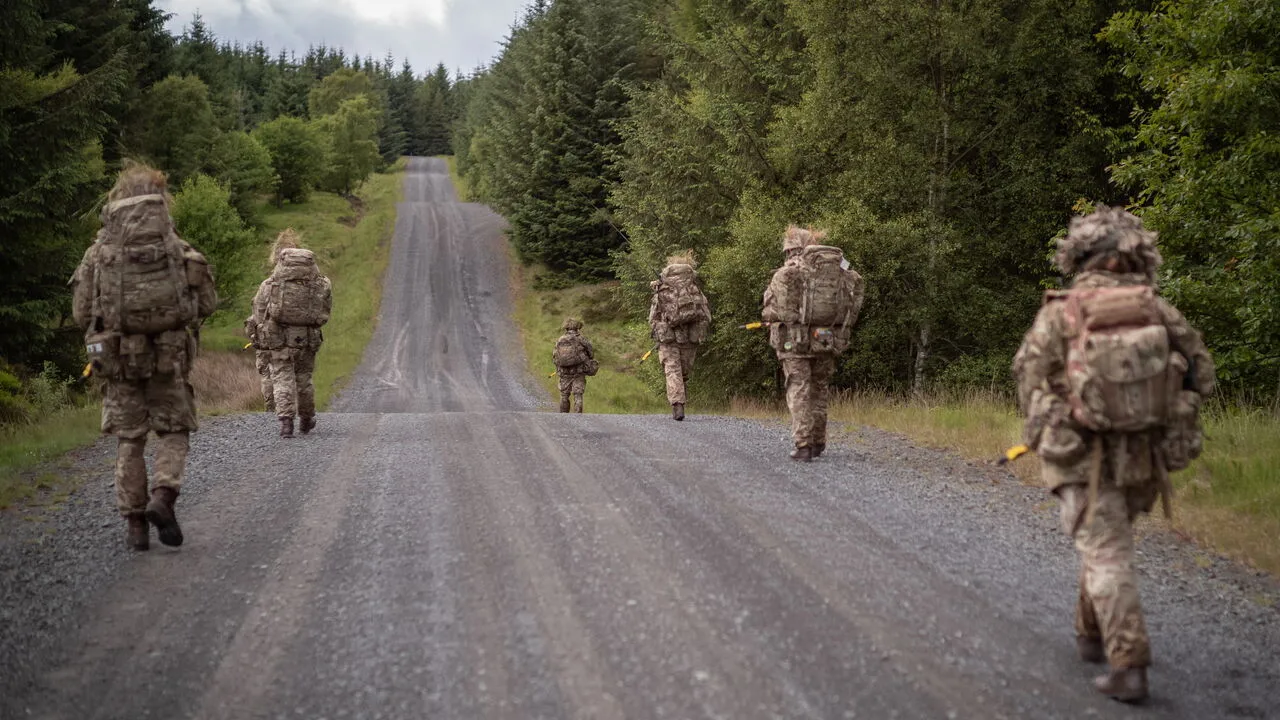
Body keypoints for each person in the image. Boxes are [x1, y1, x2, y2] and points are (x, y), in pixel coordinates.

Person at [1012, 205, 1215, 703]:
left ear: (1080, 256)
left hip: (1080, 453)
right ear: (1135, 256)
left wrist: (1058, 417)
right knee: (1106, 541)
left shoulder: (1063, 312)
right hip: (1144, 456)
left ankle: (1129, 665)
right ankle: (1089, 635)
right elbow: (1202, 375)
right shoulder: (1156, 310)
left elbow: (1028, 377)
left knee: (1104, 550)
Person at [70, 162, 217, 550]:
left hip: (117, 363)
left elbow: (81, 313)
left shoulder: (99, 254)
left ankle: (135, 526)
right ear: (161, 202)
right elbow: (207, 303)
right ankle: (163, 496)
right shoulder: (177, 249)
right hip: (168, 359)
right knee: (173, 430)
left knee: (130, 439)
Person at [761, 225, 863, 461]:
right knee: (820, 388)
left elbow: (771, 310)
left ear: (791, 249)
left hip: (794, 340)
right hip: (826, 338)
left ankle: (803, 444)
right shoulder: (838, 272)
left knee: (799, 387)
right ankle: (818, 442)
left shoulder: (787, 274)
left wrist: (771, 319)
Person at [251, 229, 332, 438]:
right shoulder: (321, 284)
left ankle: (286, 423)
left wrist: (262, 333)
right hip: (307, 338)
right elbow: (324, 313)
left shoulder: (270, 285)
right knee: (304, 378)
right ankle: (306, 419)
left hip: (278, 338)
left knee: (281, 378)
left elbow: (259, 312)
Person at [648, 256, 711, 421]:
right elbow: (706, 315)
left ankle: (677, 404)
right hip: (690, 338)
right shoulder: (694, 289)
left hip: (668, 338)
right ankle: (680, 400)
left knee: (672, 370)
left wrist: (657, 329)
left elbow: (653, 317)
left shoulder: (663, 290)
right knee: (683, 372)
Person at [552, 318, 595, 413]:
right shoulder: (581, 339)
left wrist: (560, 367)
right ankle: (577, 419)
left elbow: (554, 357)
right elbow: (591, 354)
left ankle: (563, 418)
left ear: (566, 327)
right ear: (578, 328)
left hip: (564, 372)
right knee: (578, 395)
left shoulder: (560, 339)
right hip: (578, 372)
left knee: (564, 395)